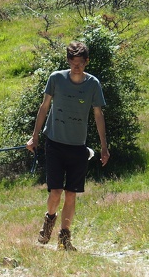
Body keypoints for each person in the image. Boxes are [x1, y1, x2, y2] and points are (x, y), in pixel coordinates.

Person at [26, 41, 109, 251]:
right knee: (55, 192)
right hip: (54, 142)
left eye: (80, 64)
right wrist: (34, 137)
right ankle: (49, 222)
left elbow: (98, 115)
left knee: (71, 194)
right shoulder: (56, 78)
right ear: (68, 62)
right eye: (72, 64)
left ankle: (64, 239)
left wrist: (104, 147)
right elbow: (44, 107)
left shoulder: (93, 84)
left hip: (78, 146)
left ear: (86, 62)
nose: (76, 67)